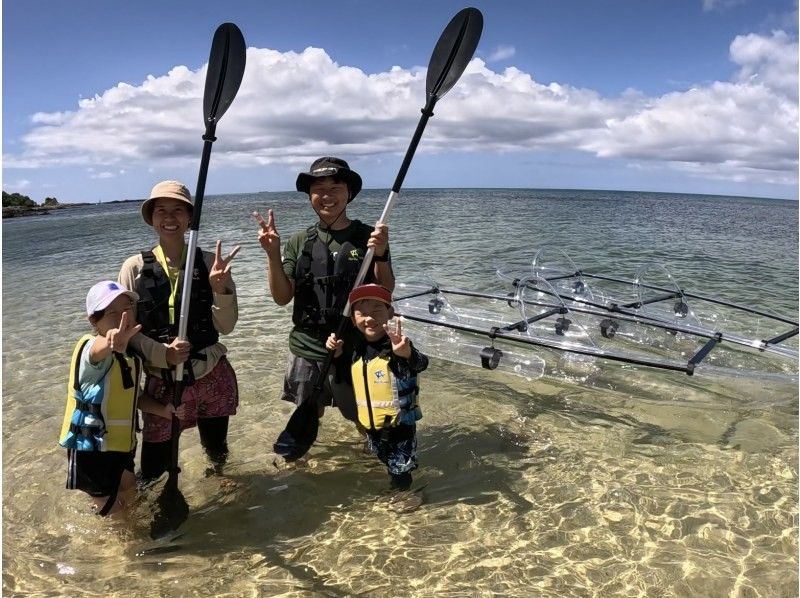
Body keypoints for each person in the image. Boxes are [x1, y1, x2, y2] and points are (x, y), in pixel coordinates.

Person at [254, 156, 395, 460]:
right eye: (318, 188)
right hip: (307, 345)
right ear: (309, 196)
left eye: (336, 187)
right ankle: (302, 467)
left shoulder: (369, 238)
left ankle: (376, 460)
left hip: (354, 345)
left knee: (363, 415)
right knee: (309, 410)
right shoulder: (298, 241)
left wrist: (380, 254)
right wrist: (272, 253)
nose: (327, 196)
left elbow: (386, 291)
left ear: (349, 193)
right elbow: (281, 297)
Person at [119, 180, 241, 481]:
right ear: (151, 217)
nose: (169, 218)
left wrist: (219, 289)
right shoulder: (134, 268)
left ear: (190, 218)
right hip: (163, 383)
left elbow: (226, 327)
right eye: (161, 210)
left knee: (216, 450)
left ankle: (223, 491)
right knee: (153, 468)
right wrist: (162, 354)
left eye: (178, 210)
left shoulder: (211, 263)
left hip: (211, 372)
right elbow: (125, 331)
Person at [59, 281, 183, 516]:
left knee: (129, 491)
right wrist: (111, 341)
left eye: (127, 309)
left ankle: (128, 539)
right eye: (112, 312)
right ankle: (120, 552)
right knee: (112, 512)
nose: (122, 316)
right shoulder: (90, 348)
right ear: (94, 321)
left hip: (120, 446)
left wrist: (164, 410)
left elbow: (133, 398)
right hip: (92, 449)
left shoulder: (129, 357)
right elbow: (98, 351)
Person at [326, 284, 428, 495]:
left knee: (401, 470)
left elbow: (421, 363)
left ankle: (407, 497)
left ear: (389, 313)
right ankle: (398, 488)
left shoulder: (397, 346)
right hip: (372, 427)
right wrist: (336, 355)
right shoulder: (357, 350)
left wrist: (407, 353)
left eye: (377, 311)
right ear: (353, 320)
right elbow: (348, 376)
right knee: (384, 459)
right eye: (362, 313)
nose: (369, 318)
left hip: (399, 427)